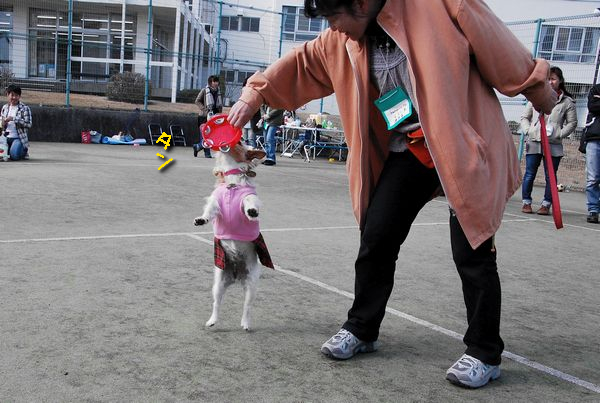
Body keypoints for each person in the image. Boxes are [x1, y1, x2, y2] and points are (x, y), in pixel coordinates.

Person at [228, 0, 556, 389]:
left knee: (473, 250)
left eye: (335, 17)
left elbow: (497, 42)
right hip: (410, 150)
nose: (333, 28)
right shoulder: (343, 39)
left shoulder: (439, 4)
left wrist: (538, 90)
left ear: (362, 3)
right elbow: (301, 63)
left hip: (461, 144)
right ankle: (362, 328)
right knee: (377, 238)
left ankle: (484, 351)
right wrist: (254, 95)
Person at [520, 67, 577, 215]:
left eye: (553, 79)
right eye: (548, 79)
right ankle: (526, 202)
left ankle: (546, 204)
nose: (550, 82)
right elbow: (525, 117)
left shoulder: (567, 102)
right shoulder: (535, 97)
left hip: (553, 144)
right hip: (534, 140)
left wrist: (559, 134)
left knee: (550, 175)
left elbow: (572, 123)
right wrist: (529, 130)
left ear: (560, 81)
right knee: (530, 173)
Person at [582, 83, 600, 223]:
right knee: (593, 177)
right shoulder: (596, 89)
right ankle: (593, 209)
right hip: (594, 138)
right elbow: (592, 106)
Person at [193, 75, 223, 158]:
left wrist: (219, 113)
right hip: (204, 117)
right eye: (214, 81)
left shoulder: (218, 92)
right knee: (204, 135)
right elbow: (197, 101)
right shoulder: (204, 90)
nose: (216, 83)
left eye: (217, 81)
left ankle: (197, 147)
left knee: (211, 135)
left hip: (215, 117)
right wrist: (204, 109)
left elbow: (220, 105)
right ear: (210, 82)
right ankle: (207, 153)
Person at [1, 84, 32, 161]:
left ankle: (23, 151)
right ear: (8, 95)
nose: (14, 97)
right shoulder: (5, 108)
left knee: (14, 156)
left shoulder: (25, 108)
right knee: (5, 153)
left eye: (17, 95)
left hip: (18, 138)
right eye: (12, 95)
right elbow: (2, 125)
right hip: (5, 137)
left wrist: (13, 119)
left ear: (19, 96)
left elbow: (29, 124)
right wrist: (3, 123)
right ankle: (7, 152)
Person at [242, 77, 263, 149]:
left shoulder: (255, 93)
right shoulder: (243, 92)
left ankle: (253, 156)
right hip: (245, 120)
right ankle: (246, 156)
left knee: (251, 139)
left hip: (252, 119)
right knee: (245, 140)